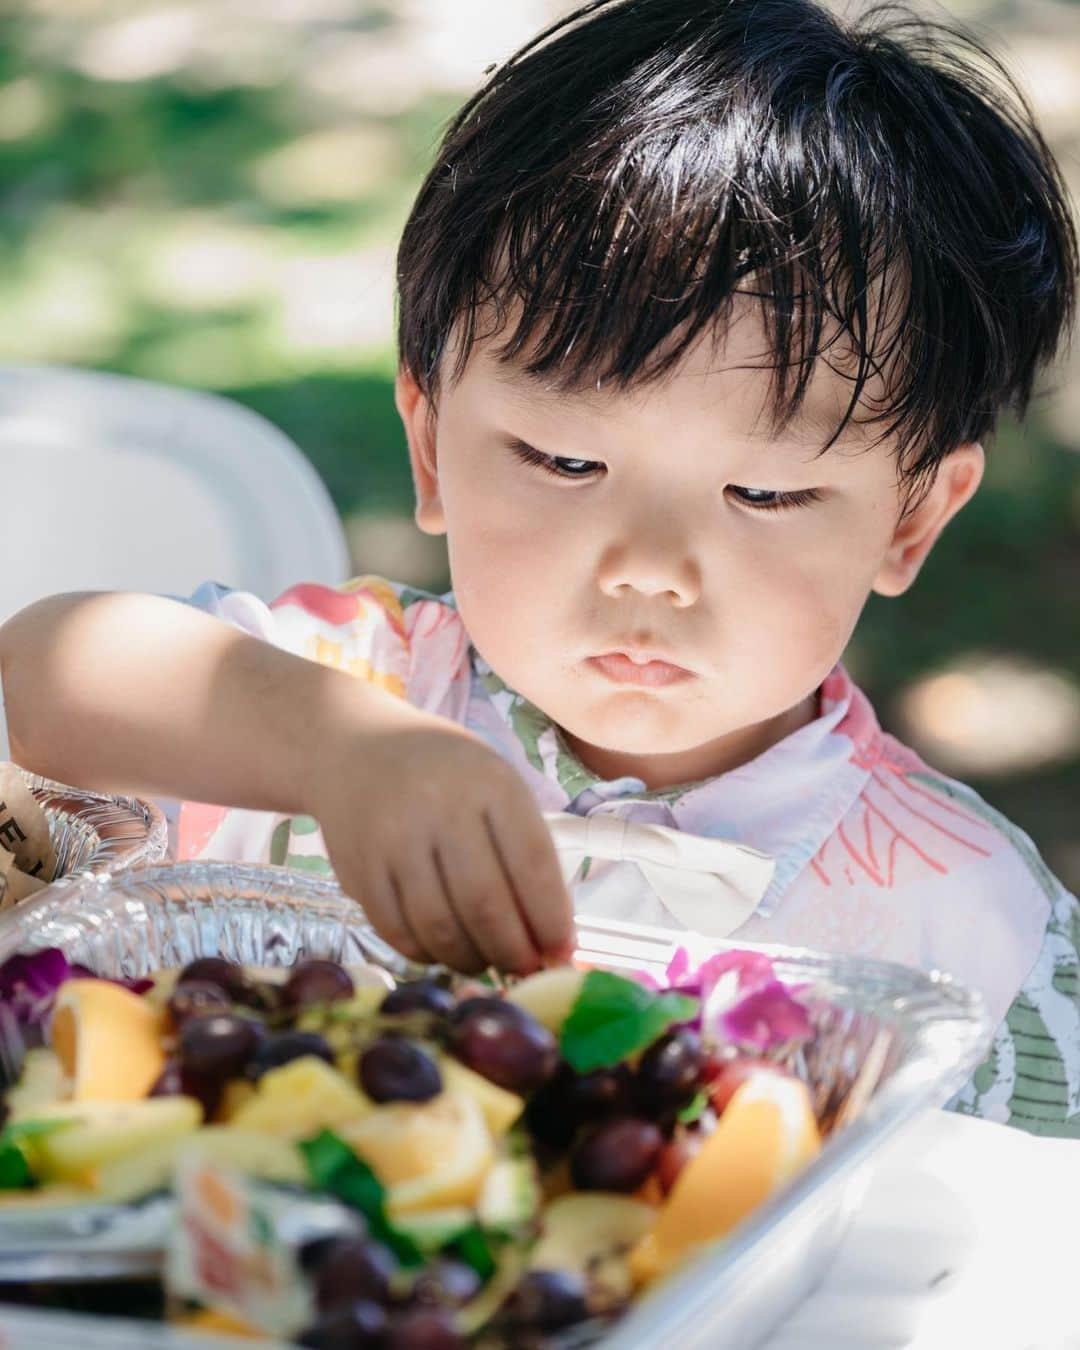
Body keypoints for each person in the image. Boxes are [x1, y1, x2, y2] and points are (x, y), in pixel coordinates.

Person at [0, 0, 1076, 1135]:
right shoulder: (359, 684)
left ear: (912, 520)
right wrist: (338, 750)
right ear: (430, 447)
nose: (653, 568)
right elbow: (46, 675)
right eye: (566, 460)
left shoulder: (968, 914)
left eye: (764, 493)